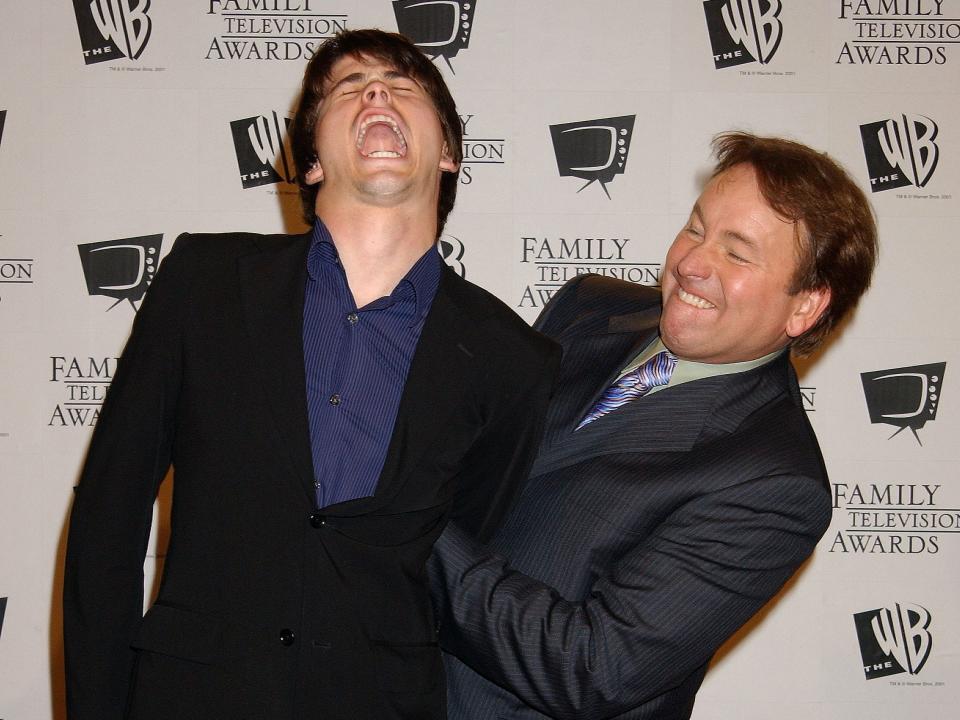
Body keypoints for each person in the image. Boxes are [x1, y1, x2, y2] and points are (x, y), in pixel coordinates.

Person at [63, 29, 558, 720]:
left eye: (404, 86)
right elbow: (107, 520)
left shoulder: (513, 359)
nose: (376, 92)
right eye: (347, 90)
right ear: (311, 163)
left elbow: (463, 547)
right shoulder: (203, 283)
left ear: (447, 153)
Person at [430, 132, 878, 720]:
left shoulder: (775, 483)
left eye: (737, 253)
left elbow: (591, 667)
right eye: (696, 228)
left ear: (806, 305)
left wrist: (409, 520)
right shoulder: (588, 306)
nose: (692, 263)